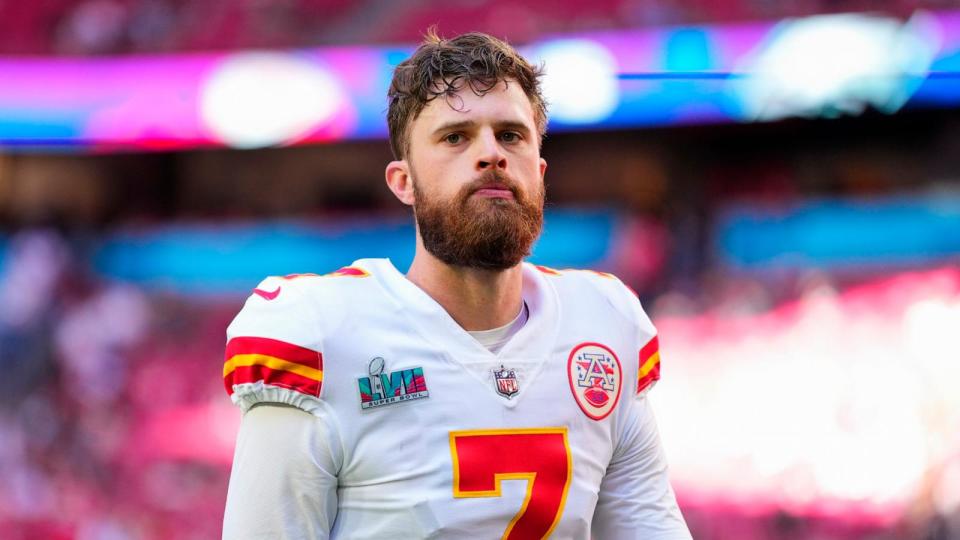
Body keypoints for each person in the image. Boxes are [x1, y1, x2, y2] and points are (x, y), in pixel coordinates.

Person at [221, 30, 691, 539]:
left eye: (511, 135)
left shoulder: (603, 323)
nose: (491, 154)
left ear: (539, 169)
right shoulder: (321, 334)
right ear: (404, 182)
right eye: (455, 137)